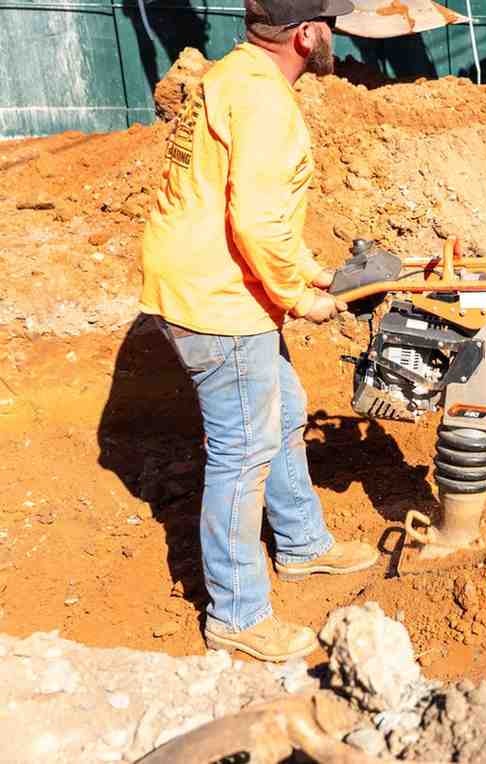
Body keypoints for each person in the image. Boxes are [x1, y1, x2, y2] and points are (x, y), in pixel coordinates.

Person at [138, 0, 380, 662]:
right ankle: (237, 615)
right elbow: (255, 223)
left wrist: (311, 272)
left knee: (286, 409)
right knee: (242, 451)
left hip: (197, 272)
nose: (333, 31)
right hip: (217, 295)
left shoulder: (232, 75)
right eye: (327, 21)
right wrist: (301, 299)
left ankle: (302, 545)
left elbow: (244, 203)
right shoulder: (269, 105)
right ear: (306, 35)